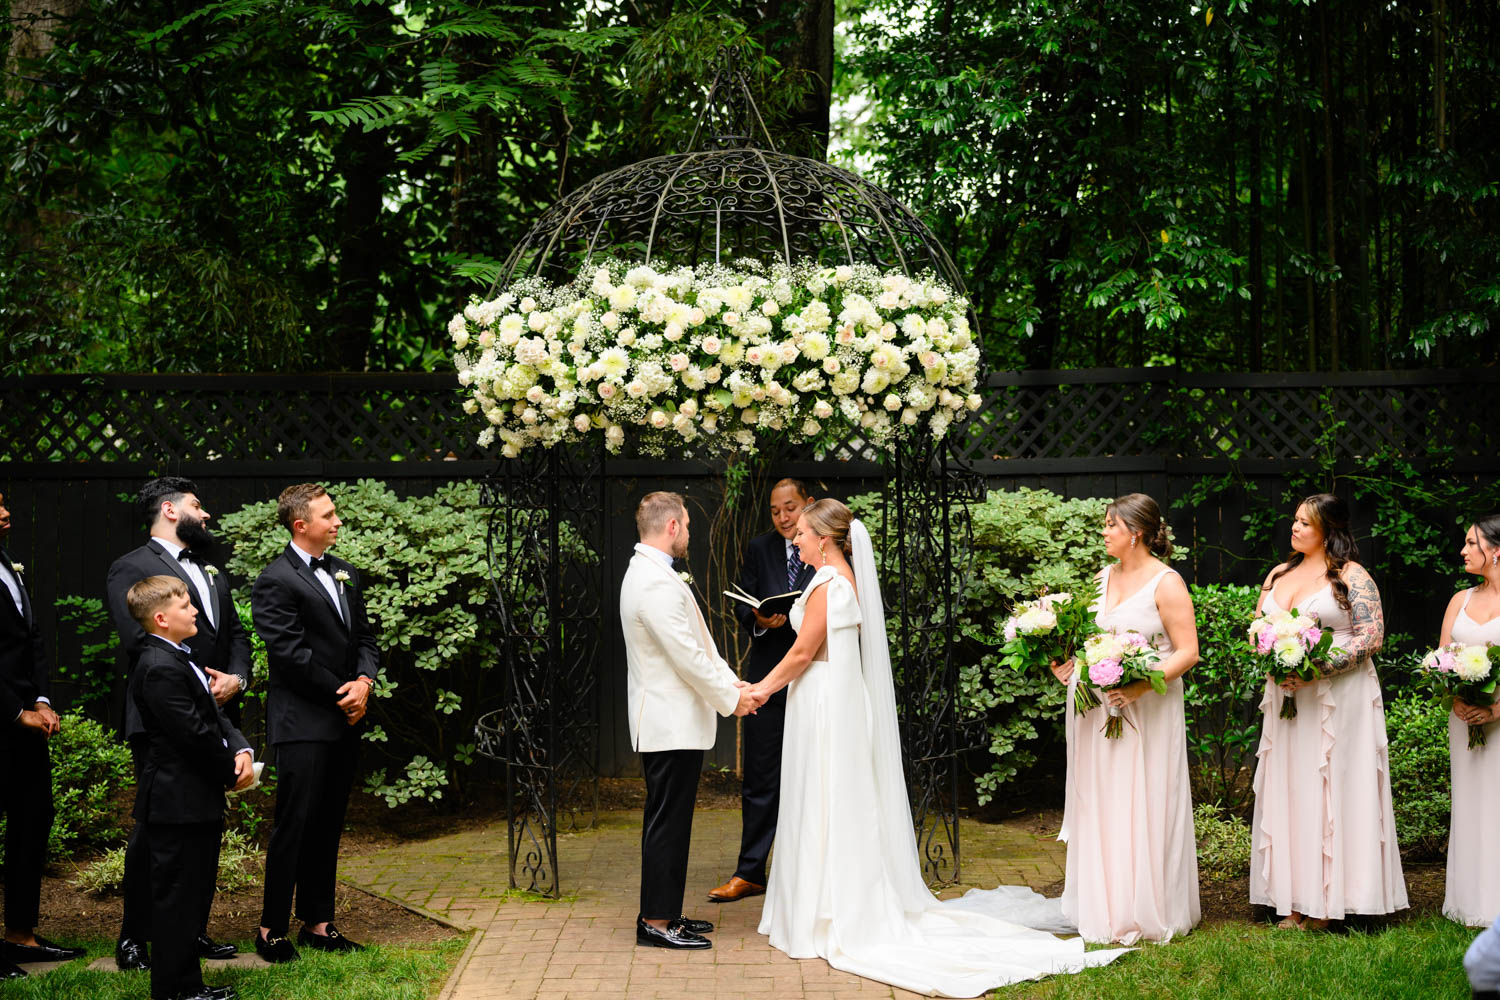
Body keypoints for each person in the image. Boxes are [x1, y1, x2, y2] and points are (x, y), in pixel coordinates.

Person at [748, 499, 1123, 996]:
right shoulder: (833, 581)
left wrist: (758, 690)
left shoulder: (830, 584)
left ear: (824, 538)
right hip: (825, 697)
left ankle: (828, 909)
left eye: (800, 533)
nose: (793, 539)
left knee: (826, 797)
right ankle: (819, 902)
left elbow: (801, 653)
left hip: (823, 702)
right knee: (825, 797)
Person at [106, 477, 251, 970]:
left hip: (218, 706)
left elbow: (235, 634)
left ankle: (190, 930)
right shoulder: (130, 567)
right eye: (196, 505)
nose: (205, 514)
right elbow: (139, 640)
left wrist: (237, 678)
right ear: (169, 510)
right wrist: (193, 685)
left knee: (204, 827)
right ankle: (135, 936)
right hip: (163, 719)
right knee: (158, 830)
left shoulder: (211, 569)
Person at [1249, 493, 1407, 929]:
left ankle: (1336, 898)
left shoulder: (1352, 576)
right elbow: (1257, 629)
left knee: (1334, 786)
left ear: (1328, 531)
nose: (1294, 528)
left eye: (1305, 523)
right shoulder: (1278, 574)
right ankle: (1294, 897)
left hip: (1340, 698)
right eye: (1294, 520)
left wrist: (1317, 668)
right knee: (1293, 787)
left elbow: (1371, 637)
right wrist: (1273, 659)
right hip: (1288, 696)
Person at [1050, 493, 1200, 944]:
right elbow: (1090, 640)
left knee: (1143, 797)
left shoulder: (1166, 583)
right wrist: (1069, 665)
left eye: (1110, 525)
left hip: (1147, 711)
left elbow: (1187, 652)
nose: (1104, 532)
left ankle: (1146, 906)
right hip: (1097, 711)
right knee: (1103, 798)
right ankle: (1104, 902)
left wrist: (1140, 684)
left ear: (1135, 532)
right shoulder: (1102, 578)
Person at [619, 492, 761, 950]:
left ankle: (667, 913)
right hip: (667, 723)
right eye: (687, 525)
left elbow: (699, 648)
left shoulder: (652, 573)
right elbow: (687, 658)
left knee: (672, 821)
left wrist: (732, 683)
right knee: (667, 823)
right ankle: (656, 922)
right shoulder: (654, 582)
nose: (689, 534)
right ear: (673, 527)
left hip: (671, 721)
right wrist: (731, 700)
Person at [251, 483, 379, 962]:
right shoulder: (275, 580)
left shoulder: (345, 572)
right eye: (328, 516)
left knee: (328, 823)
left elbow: (364, 637)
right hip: (303, 720)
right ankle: (271, 930)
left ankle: (319, 923)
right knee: (295, 825)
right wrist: (340, 692)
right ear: (300, 525)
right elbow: (289, 655)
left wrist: (364, 682)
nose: (338, 521)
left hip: (346, 716)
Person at [126, 575, 255, 1000]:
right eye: (185, 605)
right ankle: (173, 990)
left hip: (193, 798)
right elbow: (192, 735)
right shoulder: (159, 667)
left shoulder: (181, 656)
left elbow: (215, 719)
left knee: (192, 895)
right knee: (175, 899)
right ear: (162, 618)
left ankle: (189, 984)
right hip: (174, 800)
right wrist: (231, 771)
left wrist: (240, 749)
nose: (195, 610)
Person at [708, 478, 816, 904]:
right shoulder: (759, 548)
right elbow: (741, 598)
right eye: (775, 511)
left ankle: (807, 873)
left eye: (790, 508)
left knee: (814, 771)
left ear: (807, 504)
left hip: (815, 674)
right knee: (760, 774)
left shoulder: (826, 547)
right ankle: (749, 871)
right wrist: (758, 618)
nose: (784, 518)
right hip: (767, 673)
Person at [0, 491, 83, 979]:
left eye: (8, 502)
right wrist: (14, 712)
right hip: (5, 723)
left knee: (33, 821)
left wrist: (44, 701)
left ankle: (20, 934)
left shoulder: (8, 563)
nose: (7, 512)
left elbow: (32, 638)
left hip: (28, 726)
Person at [1441, 514, 1500, 927]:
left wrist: (1496, 710)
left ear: (1495, 551)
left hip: (1498, 719)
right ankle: (1469, 901)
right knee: (1471, 805)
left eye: (1470, 544)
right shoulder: (1459, 600)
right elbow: (1442, 659)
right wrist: (1455, 700)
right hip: (1465, 723)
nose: (1463, 551)